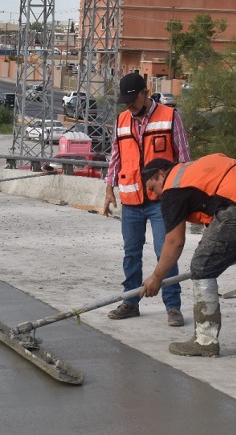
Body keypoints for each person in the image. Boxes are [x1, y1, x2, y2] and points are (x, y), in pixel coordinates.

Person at [139, 154, 236, 357]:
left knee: (201, 268)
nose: (154, 195)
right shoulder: (196, 170)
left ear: (161, 174)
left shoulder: (173, 188)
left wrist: (157, 277)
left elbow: (175, 242)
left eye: (152, 187)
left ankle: (205, 340)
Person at [103, 72, 191, 327]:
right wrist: (109, 190)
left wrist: (183, 197)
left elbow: (183, 159)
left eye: (133, 99)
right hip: (131, 199)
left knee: (165, 252)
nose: (129, 105)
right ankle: (131, 302)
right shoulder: (121, 121)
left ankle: (173, 306)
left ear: (146, 92)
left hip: (162, 200)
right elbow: (115, 158)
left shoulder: (170, 117)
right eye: (125, 100)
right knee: (131, 253)